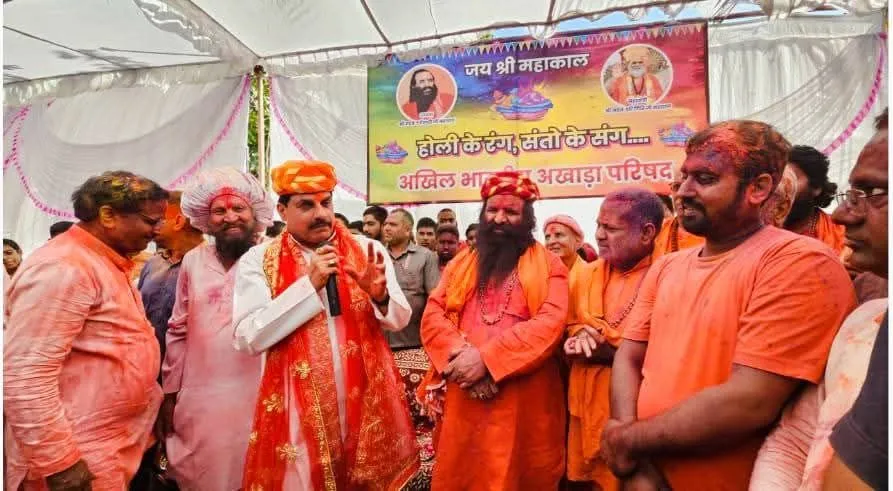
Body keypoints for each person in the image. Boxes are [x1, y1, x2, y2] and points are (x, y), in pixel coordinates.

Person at [600, 121, 856, 490]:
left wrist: (627, 442)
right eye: (684, 177)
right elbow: (629, 357)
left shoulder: (799, 262)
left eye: (704, 179)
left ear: (758, 188)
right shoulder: (667, 266)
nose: (683, 191)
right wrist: (633, 465)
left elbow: (751, 401)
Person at [232, 160, 419, 490]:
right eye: (306, 205)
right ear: (282, 210)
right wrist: (309, 285)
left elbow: (399, 319)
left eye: (325, 203)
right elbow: (247, 337)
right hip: (298, 409)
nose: (320, 214)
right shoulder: (259, 260)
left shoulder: (367, 249)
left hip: (365, 401)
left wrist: (380, 297)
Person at [749, 109, 888, 490]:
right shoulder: (867, 323)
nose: (844, 216)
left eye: (873, 193)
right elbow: (794, 442)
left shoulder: (827, 260)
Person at [5, 171, 168, 490]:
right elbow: (27, 375)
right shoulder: (63, 266)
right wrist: (59, 462)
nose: (157, 230)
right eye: (150, 221)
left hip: (106, 447)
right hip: (77, 457)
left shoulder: (101, 260)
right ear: (108, 215)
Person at [420, 170, 569, 490]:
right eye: (493, 210)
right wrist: (462, 358)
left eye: (511, 212)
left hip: (523, 404)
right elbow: (433, 315)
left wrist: (487, 361)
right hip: (464, 395)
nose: (500, 218)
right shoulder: (461, 264)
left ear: (527, 218)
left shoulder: (550, 265)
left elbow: (550, 323)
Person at [154, 168, 274, 490]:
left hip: (261, 387)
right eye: (219, 211)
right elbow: (178, 328)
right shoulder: (193, 260)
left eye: (238, 208)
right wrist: (170, 391)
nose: (230, 217)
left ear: (255, 213)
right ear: (206, 219)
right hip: (201, 392)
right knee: (203, 471)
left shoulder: (273, 255)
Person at [565, 188, 664, 490]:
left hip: (635, 413)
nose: (599, 235)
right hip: (585, 407)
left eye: (610, 228)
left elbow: (672, 348)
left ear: (647, 233)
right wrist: (577, 336)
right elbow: (571, 322)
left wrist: (610, 353)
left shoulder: (668, 275)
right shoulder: (584, 274)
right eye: (598, 225)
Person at [381, 208, 441, 484]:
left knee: (418, 416)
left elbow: (435, 300)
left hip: (415, 347)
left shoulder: (425, 257)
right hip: (381, 348)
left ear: (408, 230)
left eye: (393, 224)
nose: (387, 228)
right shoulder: (375, 254)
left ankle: (419, 471)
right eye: (386, 224)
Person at [137, 191, 204, 370]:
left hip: (188, 371)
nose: (152, 228)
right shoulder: (153, 263)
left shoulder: (211, 266)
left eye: (158, 220)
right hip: (146, 367)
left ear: (178, 221)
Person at [784, 145, 846, 254]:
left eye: (791, 178)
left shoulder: (841, 235)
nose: (780, 187)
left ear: (816, 188)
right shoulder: (755, 228)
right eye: (777, 178)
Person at [653, 167, 705, 256]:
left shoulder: (721, 234)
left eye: (692, 187)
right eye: (677, 187)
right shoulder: (658, 233)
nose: (682, 193)